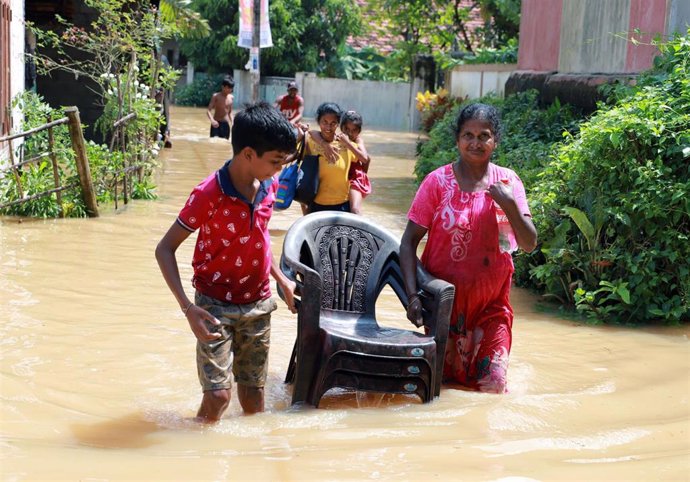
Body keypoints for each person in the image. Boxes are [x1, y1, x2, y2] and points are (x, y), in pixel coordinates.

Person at [155, 102, 298, 423]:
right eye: (275, 161)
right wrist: (187, 309)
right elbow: (164, 249)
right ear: (248, 154)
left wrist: (281, 279)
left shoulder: (270, 185)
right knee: (218, 398)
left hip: (259, 303)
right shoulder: (209, 194)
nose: (279, 170)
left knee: (253, 399)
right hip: (213, 306)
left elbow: (258, 239)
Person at [400, 103, 537, 394]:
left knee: (493, 387)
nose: (476, 143)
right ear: (458, 139)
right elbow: (408, 243)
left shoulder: (508, 182)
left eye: (484, 136)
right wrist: (412, 296)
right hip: (443, 307)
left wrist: (509, 204)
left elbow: (528, 243)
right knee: (441, 390)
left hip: (492, 307)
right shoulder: (437, 183)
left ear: (495, 140)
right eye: (468, 135)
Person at [309, 110, 371, 215]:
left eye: (354, 130)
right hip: (343, 177)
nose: (350, 133)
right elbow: (311, 132)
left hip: (355, 177)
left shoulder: (357, 141)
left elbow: (366, 159)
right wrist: (325, 144)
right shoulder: (338, 137)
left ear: (359, 131)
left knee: (355, 210)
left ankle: (360, 230)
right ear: (340, 127)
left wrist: (347, 143)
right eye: (346, 129)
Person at [303, 102, 356, 213]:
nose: (328, 127)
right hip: (316, 204)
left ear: (338, 124)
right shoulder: (310, 141)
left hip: (342, 204)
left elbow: (364, 159)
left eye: (333, 123)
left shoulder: (345, 143)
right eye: (324, 122)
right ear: (318, 122)